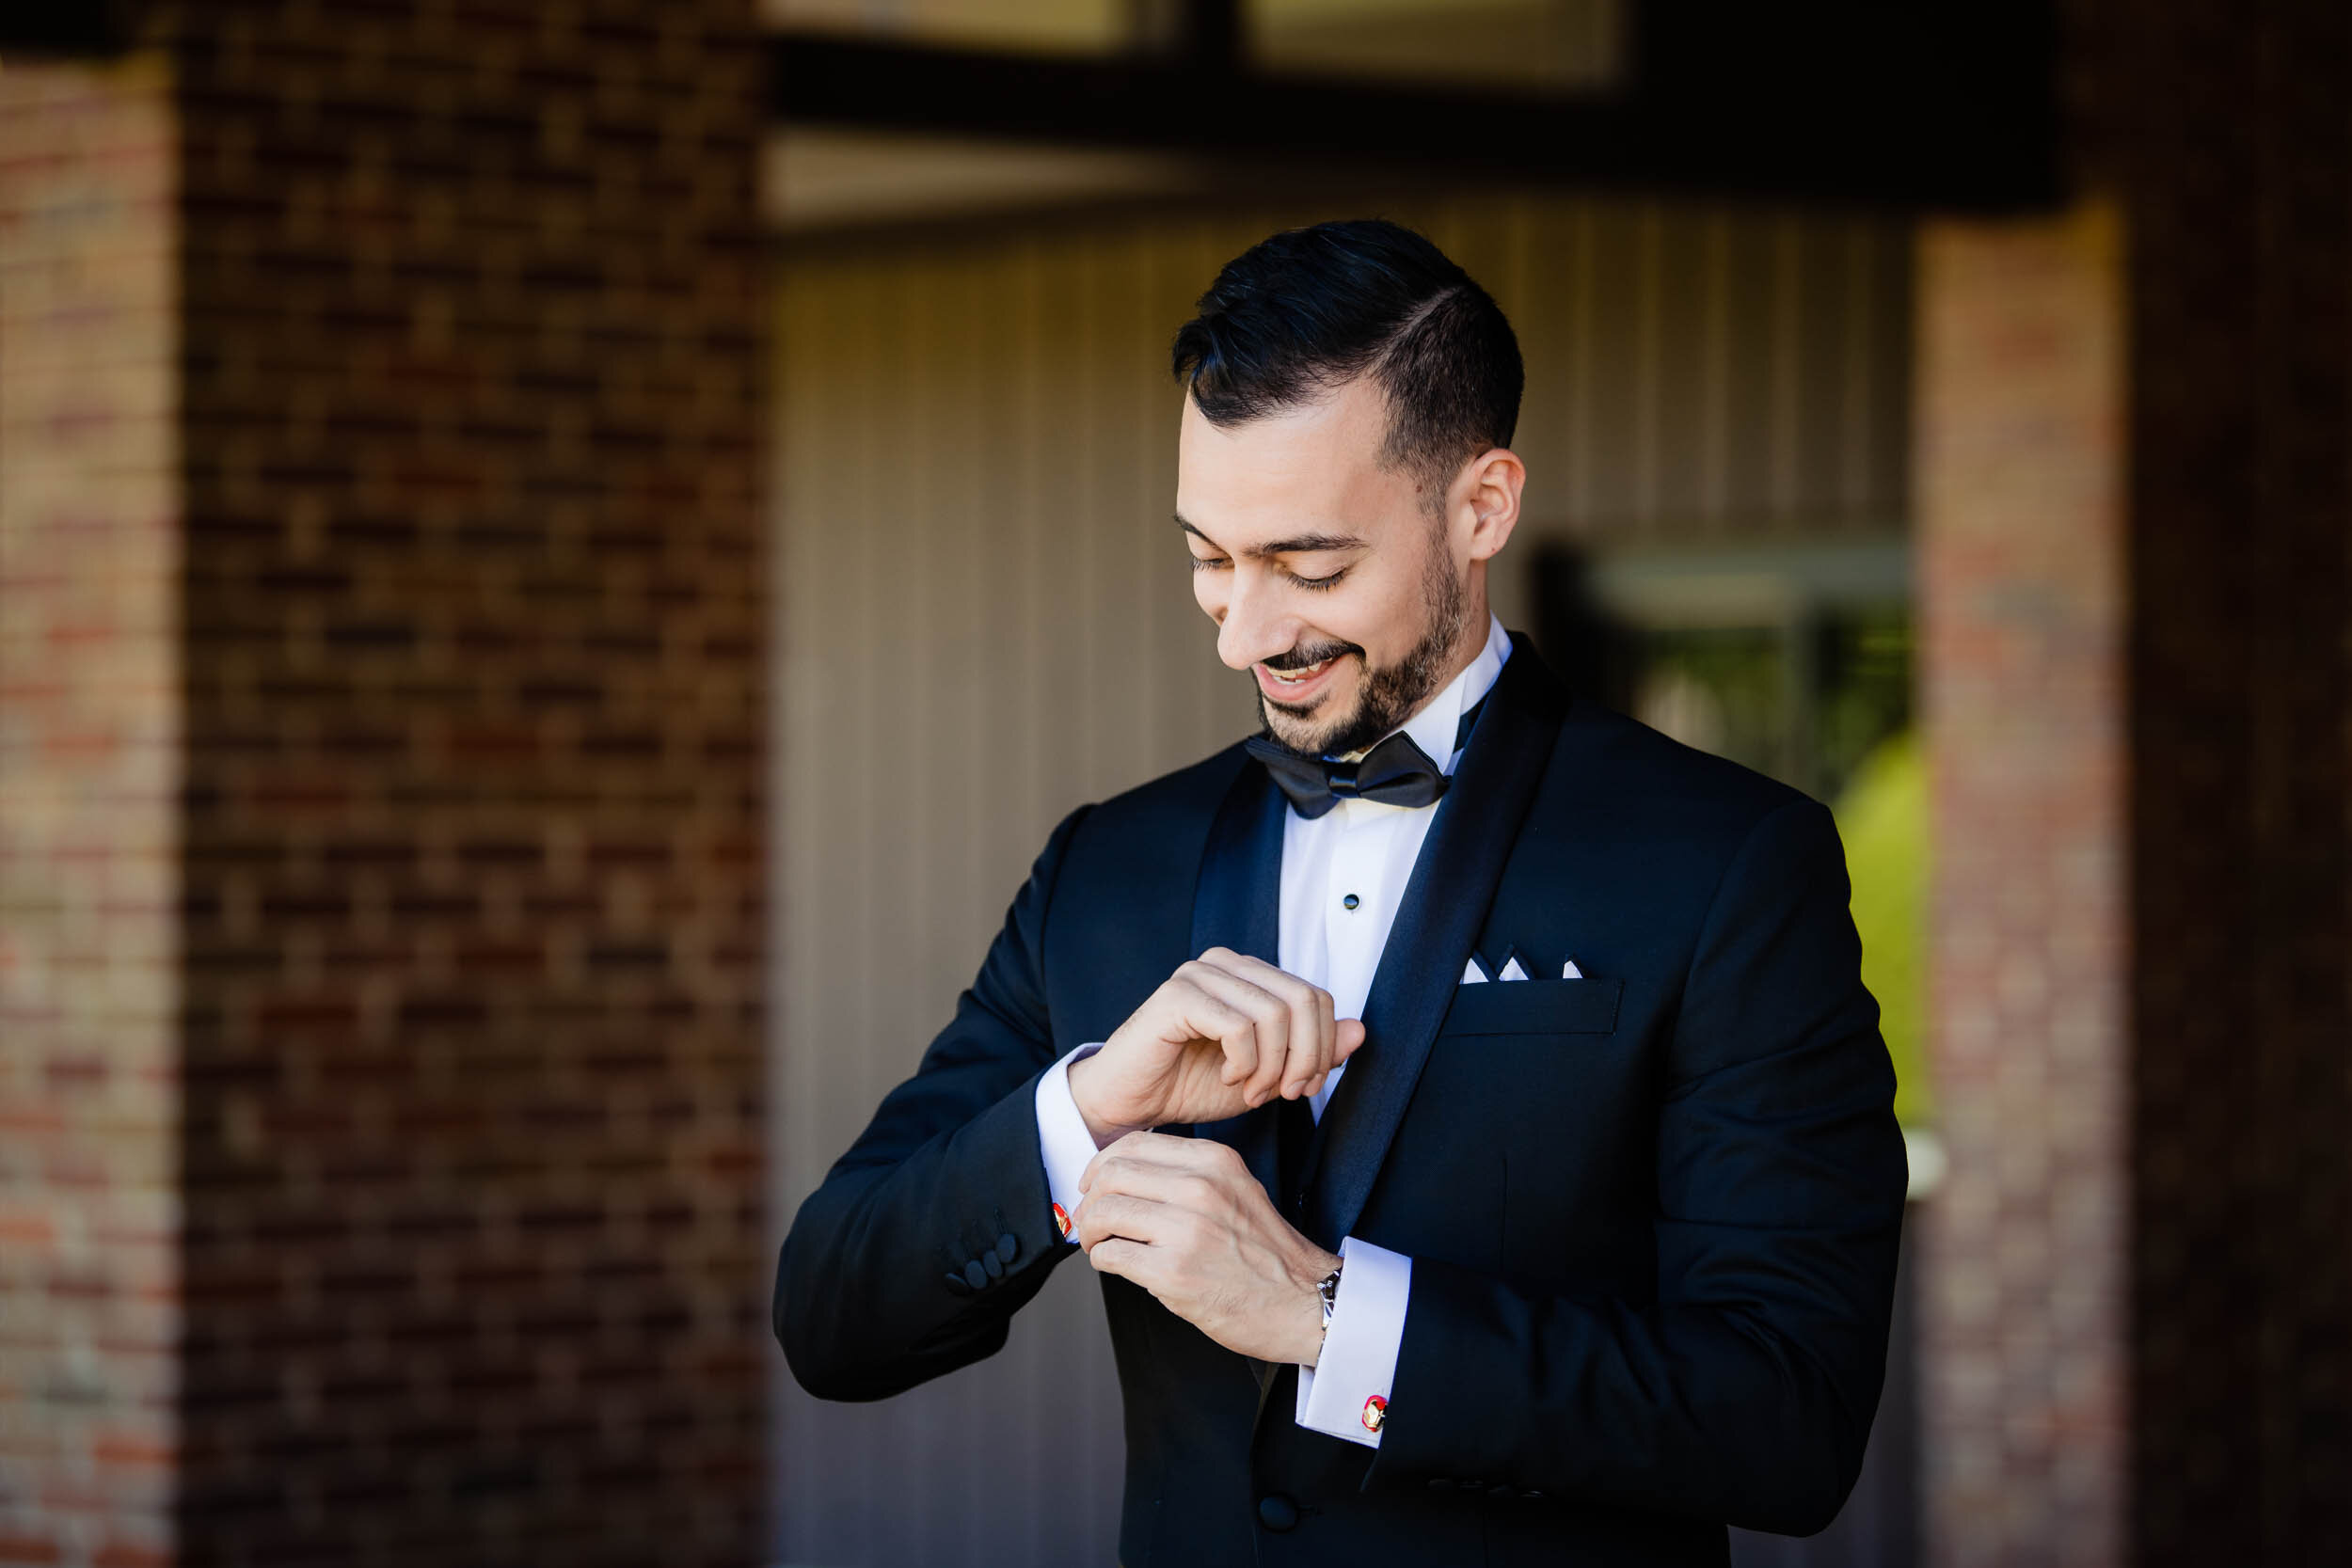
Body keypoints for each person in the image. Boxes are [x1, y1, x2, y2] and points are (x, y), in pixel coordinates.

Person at [773, 218, 1906, 1567]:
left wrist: (1327, 1315)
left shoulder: (1727, 863)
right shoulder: (1108, 866)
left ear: (1481, 506)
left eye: (1310, 569)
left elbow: (1789, 1418)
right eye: (1209, 558)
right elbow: (834, 1317)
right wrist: (1086, 1117)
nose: (1247, 634)